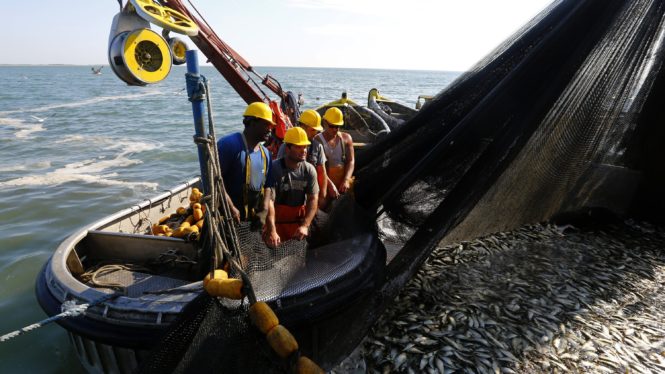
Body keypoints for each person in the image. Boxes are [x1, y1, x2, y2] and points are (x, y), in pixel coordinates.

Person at [217, 102, 274, 224]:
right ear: (252, 122)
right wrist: (230, 207)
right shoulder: (229, 145)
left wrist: (264, 209)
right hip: (228, 219)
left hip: (251, 221)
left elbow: (268, 185)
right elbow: (215, 179)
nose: (270, 129)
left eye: (271, 125)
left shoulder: (266, 154)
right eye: (266, 124)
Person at [264, 127, 319, 247]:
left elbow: (313, 199)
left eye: (305, 147)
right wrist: (271, 230)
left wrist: (305, 225)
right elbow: (269, 202)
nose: (303, 150)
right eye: (298, 147)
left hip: (297, 224)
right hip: (276, 222)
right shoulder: (274, 169)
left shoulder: (309, 170)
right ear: (287, 148)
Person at [277, 109, 328, 205]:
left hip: (310, 194)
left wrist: (322, 196)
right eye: (313, 130)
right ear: (302, 127)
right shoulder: (286, 146)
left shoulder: (318, 147)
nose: (315, 133)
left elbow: (322, 173)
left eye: (316, 130)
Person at [315, 107, 355, 207]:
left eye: (337, 126)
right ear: (324, 123)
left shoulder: (346, 138)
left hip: (342, 181)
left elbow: (351, 161)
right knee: (323, 205)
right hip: (325, 182)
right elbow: (318, 168)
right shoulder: (317, 140)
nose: (335, 129)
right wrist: (330, 185)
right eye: (332, 126)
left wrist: (346, 180)